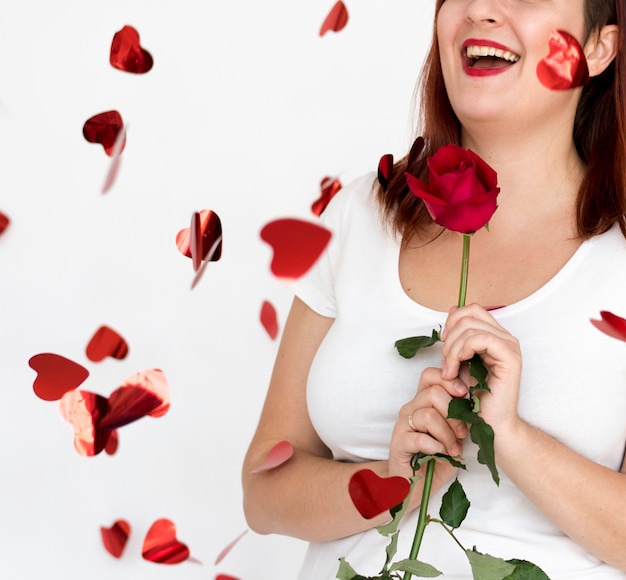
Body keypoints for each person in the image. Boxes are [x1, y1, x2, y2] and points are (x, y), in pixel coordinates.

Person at [242, 0, 626, 578]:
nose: (480, 10)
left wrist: (510, 439)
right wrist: (394, 483)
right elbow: (263, 492)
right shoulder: (360, 215)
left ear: (598, 47)